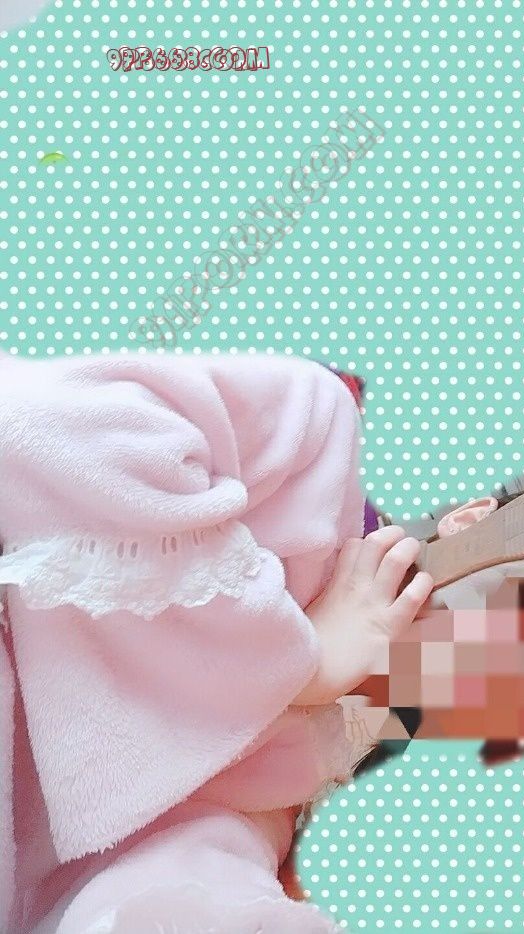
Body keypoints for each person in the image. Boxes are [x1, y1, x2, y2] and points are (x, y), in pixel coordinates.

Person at [0, 347, 433, 933]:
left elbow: (180, 873)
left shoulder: (351, 747)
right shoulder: (317, 439)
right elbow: (30, 425)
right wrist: (293, 662)